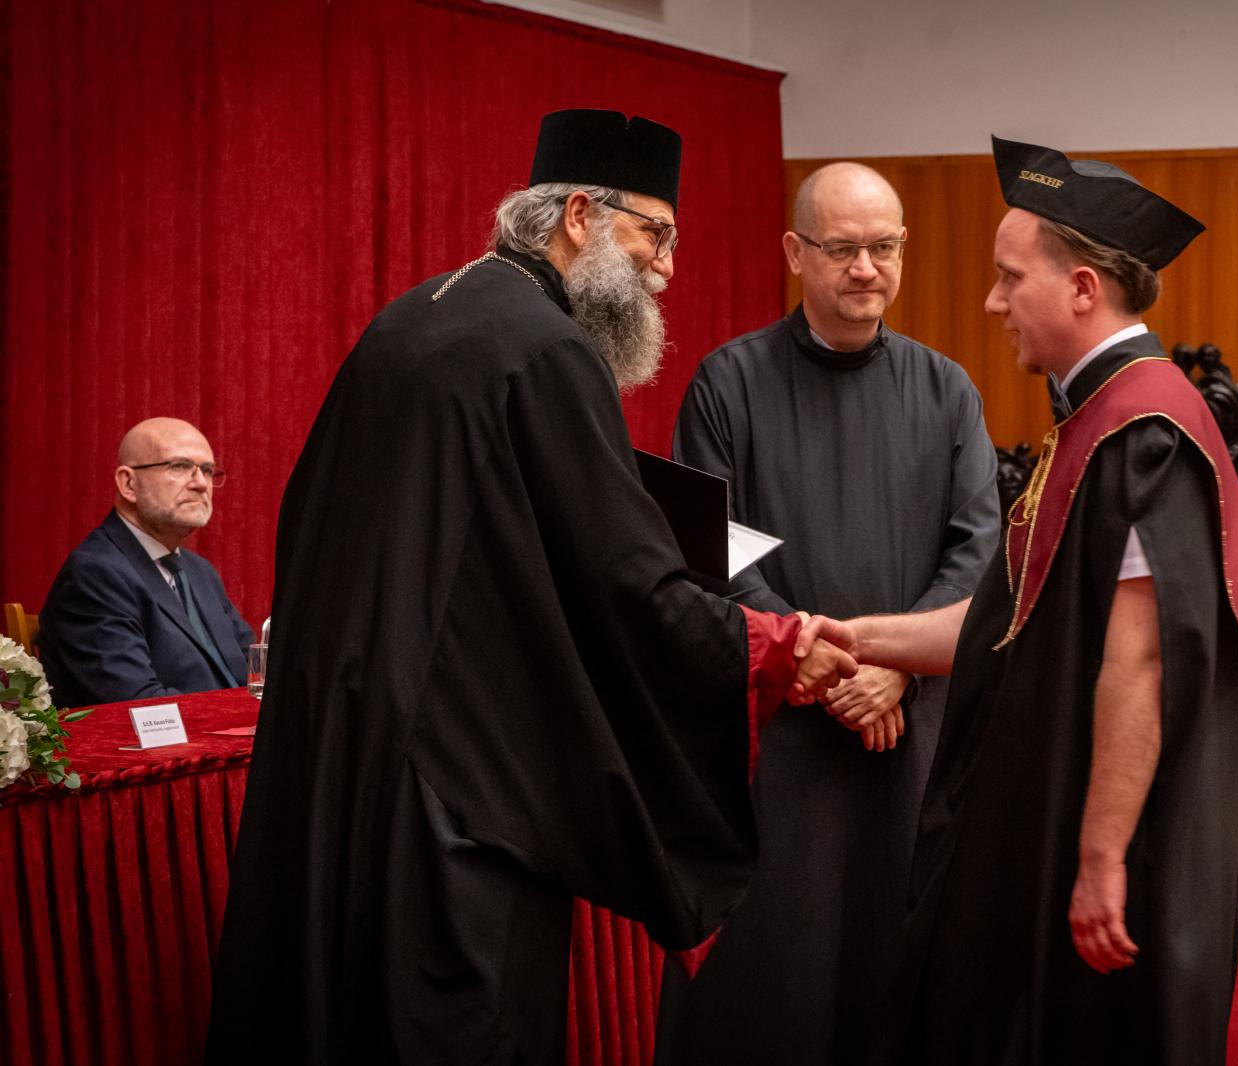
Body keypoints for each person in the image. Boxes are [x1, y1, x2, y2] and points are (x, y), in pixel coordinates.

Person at [204, 109, 855, 1066]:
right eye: (656, 233)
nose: (668, 268)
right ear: (581, 215)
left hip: (339, 758)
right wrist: (768, 645)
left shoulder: (412, 319)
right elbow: (623, 581)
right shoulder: (548, 350)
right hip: (456, 791)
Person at [803, 135, 1238, 1065]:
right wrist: (853, 636)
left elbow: (1143, 662)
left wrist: (1100, 861)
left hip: (1103, 861)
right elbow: (1006, 626)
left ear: (1082, 289)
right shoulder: (1093, 420)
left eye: (1009, 278)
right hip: (1044, 838)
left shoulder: (1145, 431)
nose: (992, 302)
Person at [655, 163, 1000, 1065]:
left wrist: (897, 669)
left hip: (905, 738)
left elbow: (977, 556)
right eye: (843, 248)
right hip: (778, 735)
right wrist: (811, 657)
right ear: (794, 252)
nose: (866, 269)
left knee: (896, 980)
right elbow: (709, 550)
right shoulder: (728, 384)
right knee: (776, 992)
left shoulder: (948, 391)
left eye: (884, 247)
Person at [38, 417, 253, 708]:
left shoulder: (199, 571)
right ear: (129, 484)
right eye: (179, 466)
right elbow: (140, 706)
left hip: (235, 731)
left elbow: (255, 669)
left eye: (207, 470)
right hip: (170, 737)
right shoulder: (94, 574)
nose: (201, 484)